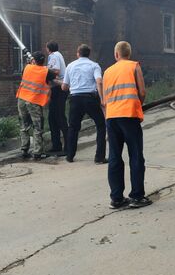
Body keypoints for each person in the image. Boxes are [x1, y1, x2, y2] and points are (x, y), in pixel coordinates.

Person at [103, 41, 151, 209]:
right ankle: (137, 196)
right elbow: (142, 92)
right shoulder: (134, 66)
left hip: (111, 116)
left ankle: (116, 198)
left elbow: (104, 100)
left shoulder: (107, 71)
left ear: (116, 55)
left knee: (115, 157)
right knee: (136, 155)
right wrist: (139, 105)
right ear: (128, 54)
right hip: (129, 115)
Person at [61, 44, 107, 163]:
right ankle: (99, 157)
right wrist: (102, 99)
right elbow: (99, 81)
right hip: (90, 98)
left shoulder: (70, 66)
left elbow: (64, 87)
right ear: (89, 54)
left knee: (73, 127)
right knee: (101, 125)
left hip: (75, 99)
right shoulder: (94, 65)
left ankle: (70, 156)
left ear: (78, 53)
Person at [16, 51, 55, 160]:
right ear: (43, 61)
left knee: (24, 125)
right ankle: (37, 152)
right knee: (37, 127)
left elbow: (24, 74)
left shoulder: (27, 68)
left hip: (22, 99)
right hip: (33, 102)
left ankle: (24, 149)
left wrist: (31, 63)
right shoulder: (46, 71)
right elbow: (54, 75)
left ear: (34, 60)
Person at [45, 41, 68, 156]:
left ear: (49, 48)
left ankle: (68, 147)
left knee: (59, 117)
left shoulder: (53, 56)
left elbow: (55, 71)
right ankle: (56, 145)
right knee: (52, 118)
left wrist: (43, 70)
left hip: (59, 89)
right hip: (57, 89)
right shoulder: (57, 55)